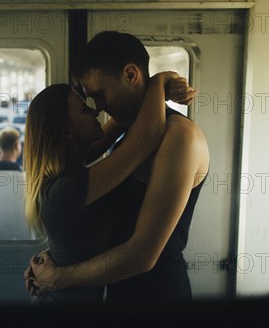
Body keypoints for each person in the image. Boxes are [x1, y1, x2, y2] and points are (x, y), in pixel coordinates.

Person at [24, 31, 210, 303]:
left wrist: (58, 276)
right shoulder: (132, 130)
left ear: (131, 75)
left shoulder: (180, 136)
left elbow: (142, 256)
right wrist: (55, 256)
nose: (98, 109)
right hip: (117, 293)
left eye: (99, 95)